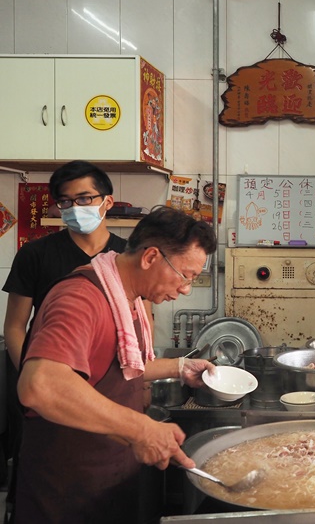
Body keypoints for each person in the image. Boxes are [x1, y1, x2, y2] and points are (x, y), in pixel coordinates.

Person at [15, 206, 217, 523]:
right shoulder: (81, 298)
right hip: (67, 490)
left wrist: (178, 369)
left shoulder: (126, 297)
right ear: (150, 257)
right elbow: (40, 385)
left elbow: (121, 366)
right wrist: (142, 429)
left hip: (108, 475)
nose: (186, 288)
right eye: (184, 275)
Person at [2, 160, 129, 521]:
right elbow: (15, 326)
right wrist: (34, 376)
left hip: (108, 387)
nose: (75, 209)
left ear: (107, 201)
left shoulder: (127, 257)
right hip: (47, 392)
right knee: (45, 486)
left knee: (104, 483)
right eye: (66, 202)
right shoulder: (36, 255)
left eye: (85, 198)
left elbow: (138, 328)